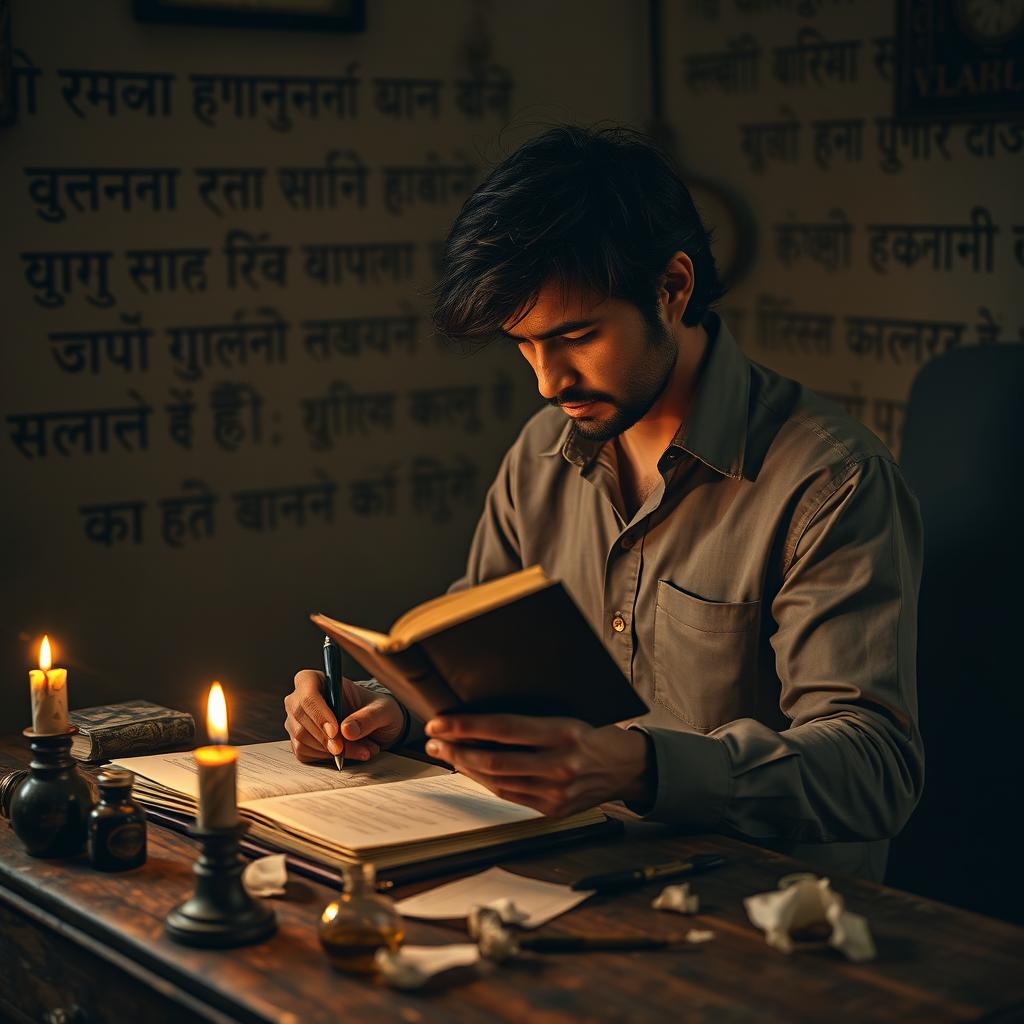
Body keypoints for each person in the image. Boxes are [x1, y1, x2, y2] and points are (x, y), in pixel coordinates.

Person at [284, 125, 924, 881]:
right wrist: (391, 709)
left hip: (766, 915)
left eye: (578, 336)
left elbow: (875, 769)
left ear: (673, 288)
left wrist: (641, 767)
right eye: (523, 344)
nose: (548, 381)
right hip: (570, 873)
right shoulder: (540, 455)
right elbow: (470, 667)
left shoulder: (829, 479)